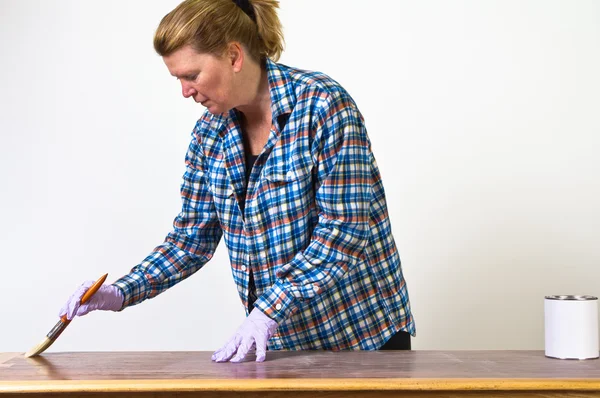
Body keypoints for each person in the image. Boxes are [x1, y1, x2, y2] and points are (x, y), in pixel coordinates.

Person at [59, 0, 415, 363]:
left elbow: (344, 230)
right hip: (285, 348)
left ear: (233, 56)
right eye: (177, 78)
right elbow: (191, 240)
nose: (185, 91)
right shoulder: (208, 137)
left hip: (364, 337)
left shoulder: (323, 106)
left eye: (191, 75)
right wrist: (122, 291)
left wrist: (267, 310)